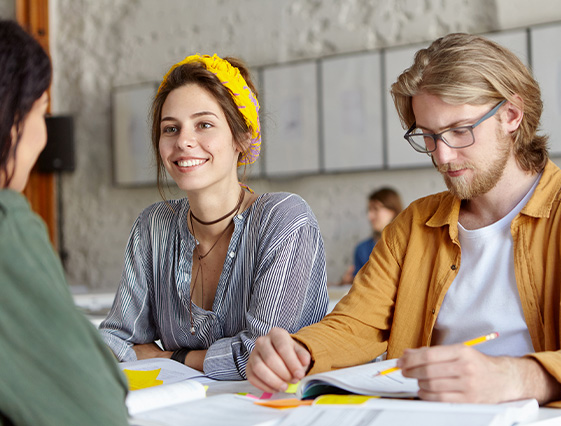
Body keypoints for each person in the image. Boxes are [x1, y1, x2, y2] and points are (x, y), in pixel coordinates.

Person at [246, 33, 561, 426]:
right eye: (429, 136)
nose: (443, 155)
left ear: (512, 115)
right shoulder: (414, 225)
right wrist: (298, 351)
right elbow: (356, 324)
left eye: (459, 130)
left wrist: (512, 376)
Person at [99, 53, 328, 380]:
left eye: (204, 124)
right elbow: (115, 338)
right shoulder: (153, 226)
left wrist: (168, 356)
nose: (183, 141)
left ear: (242, 138)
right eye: (170, 128)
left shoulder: (285, 219)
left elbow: (260, 355)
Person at [0, 20, 129, 425]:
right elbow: (94, 404)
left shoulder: (281, 216)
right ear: (12, 115)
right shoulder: (9, 226)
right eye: (42, 110)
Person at [337, 187, 403, 285]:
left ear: (392, 211)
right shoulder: (362, 249)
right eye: (369, 210)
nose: (370, 216)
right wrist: (345, 283)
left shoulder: (407, 245)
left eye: (376, 209)